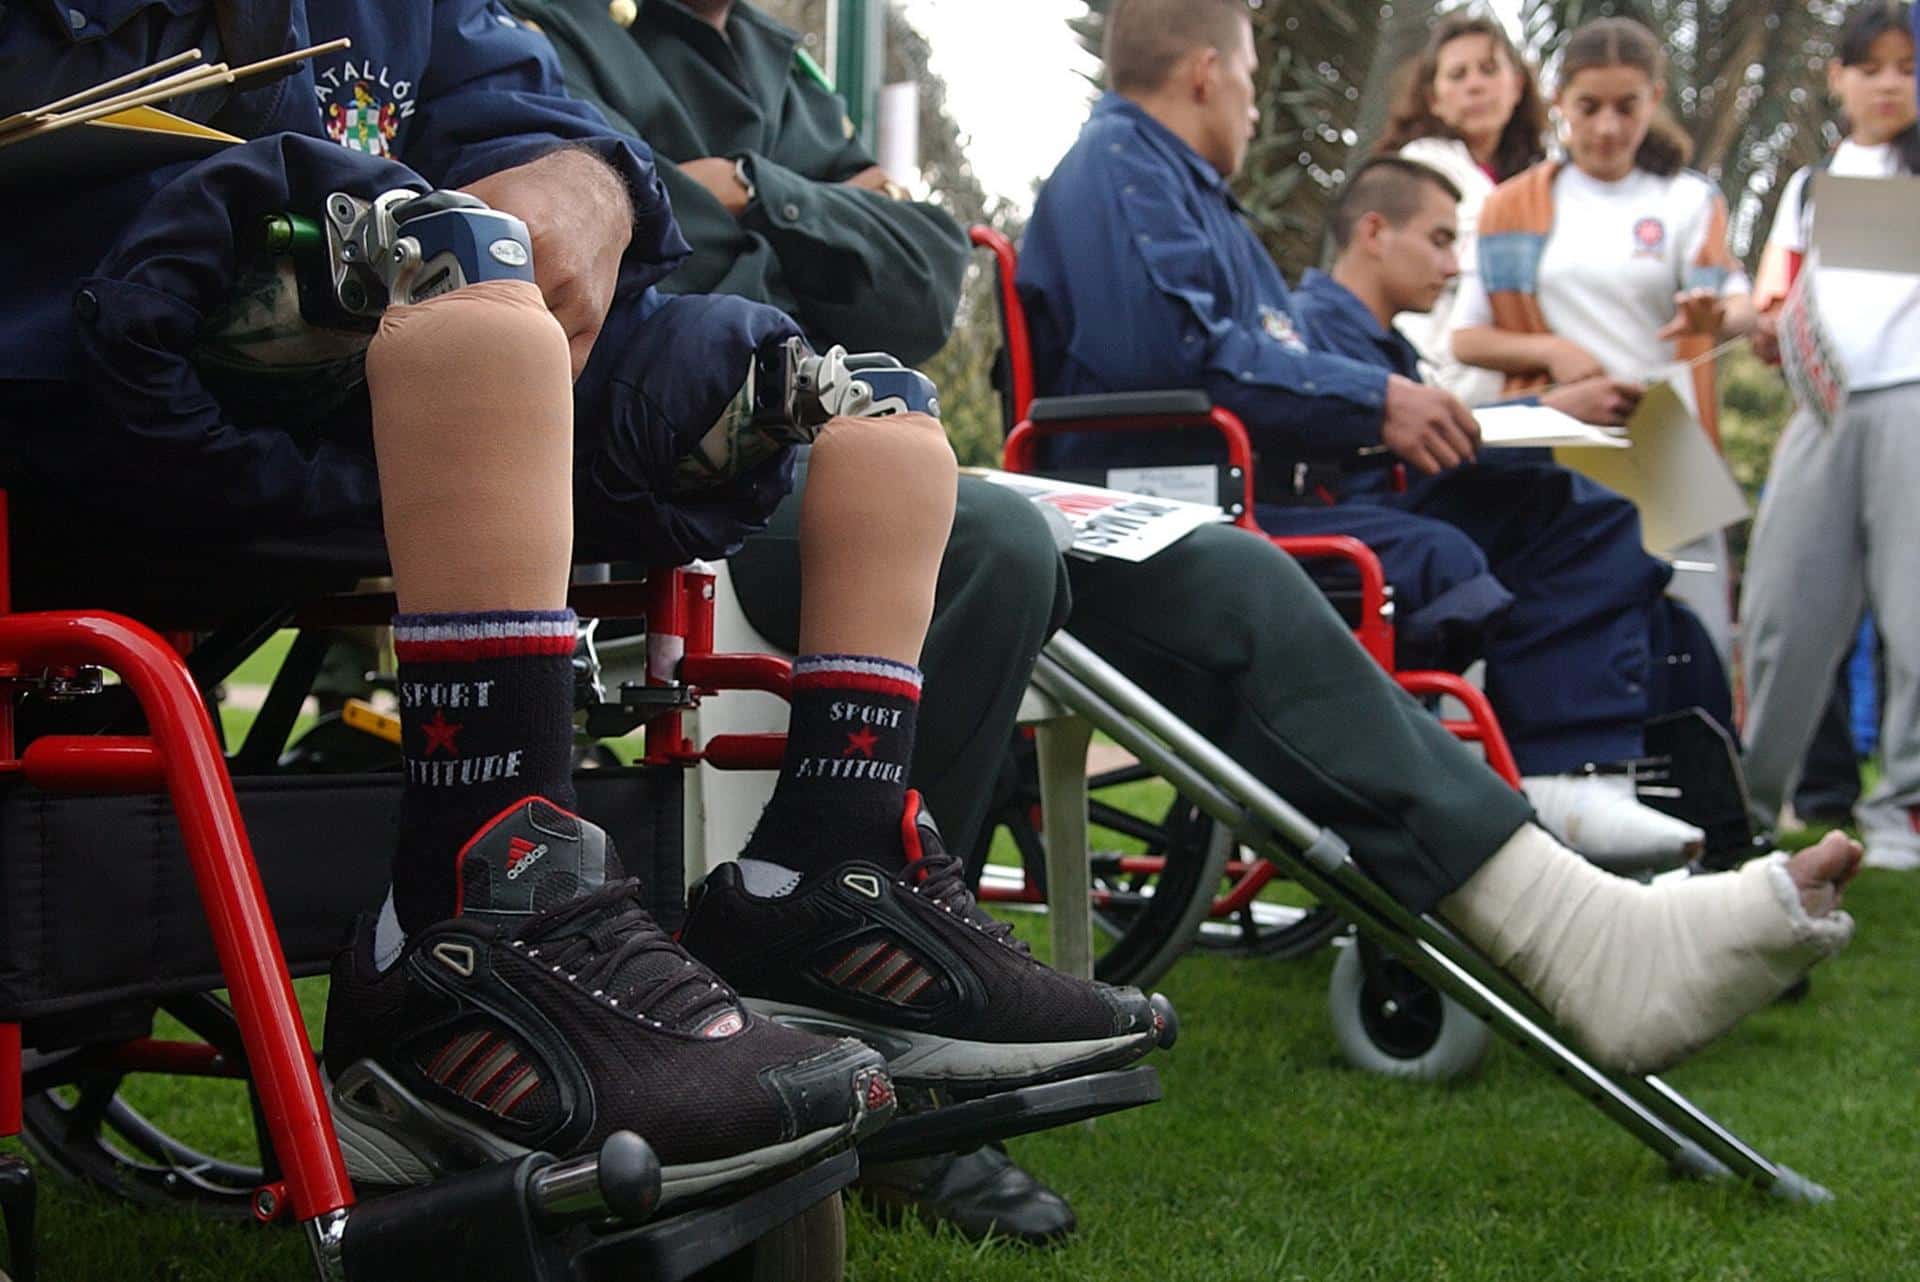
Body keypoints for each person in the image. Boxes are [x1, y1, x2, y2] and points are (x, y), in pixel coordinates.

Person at [0, 0, 1169, 1208]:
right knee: (472, 314)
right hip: (96, 365)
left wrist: (584, 186)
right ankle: (468, 931)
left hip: (393, 365)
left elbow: (529, 109)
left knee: (878, 418)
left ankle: (828, 873)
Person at [505, 0, 1080, 1239]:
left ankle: (880, 947)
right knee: (989, 543)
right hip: (669, 445)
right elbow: (632, 255)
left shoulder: (782, 73)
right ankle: (851, 945)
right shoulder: (553, 28)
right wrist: (815, 215)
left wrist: (756, 191)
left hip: (832, 428)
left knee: (1009, 532)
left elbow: (925, 278)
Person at [1018, 0, 1705, 867]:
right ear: (1205, 72)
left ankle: (1570, 773)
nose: (1255, 104)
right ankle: (1493, 808)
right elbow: (1170, 358)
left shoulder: (1187, 193)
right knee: (1432, 552)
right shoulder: (1119, 171)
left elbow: (1256, 364)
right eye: (1252, 78)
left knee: (1576, 516)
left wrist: (1400, 412)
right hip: (1173, 509)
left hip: (1264, 483)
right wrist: (1375, 400)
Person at [1449, 16, 1755, 667]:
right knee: (1557, 625)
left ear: (1654, 100)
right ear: (1559, 103)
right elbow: (1469, 337)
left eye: (1627, 106)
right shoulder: (1511, 205)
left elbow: (1737, 305)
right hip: (1554, 437)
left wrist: (1714, 316)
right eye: (1589, 107)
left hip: (1662, 435)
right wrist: (1553, 355)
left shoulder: (1687, 200)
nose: (1608, 127)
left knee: (1688, 632)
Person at [1740, 2, 1920, 868]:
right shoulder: (1810, 187)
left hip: (1913, 403)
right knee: (1780, 607)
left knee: (1916, 617)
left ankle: (1902, 815)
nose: (1890, 82)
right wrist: (1745, 320)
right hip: (1822, 410)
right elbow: (1777, 303)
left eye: (1908, 65)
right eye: (1872, 65)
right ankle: (1751, 807)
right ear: (1838, 76)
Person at [1376, 13, 1549, 406]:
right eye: (1457, 75)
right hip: (1439, 380)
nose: (1475, 85)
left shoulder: (1542, 180)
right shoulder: (1419, 168)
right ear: (1434, 98)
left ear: (1517, 85)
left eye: (1488, 70)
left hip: (1527, 387)